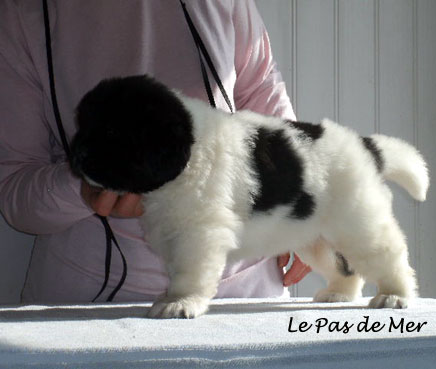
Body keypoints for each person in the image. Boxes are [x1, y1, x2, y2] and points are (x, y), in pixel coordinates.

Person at [0, 0, 310, 303]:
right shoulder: (21, 12)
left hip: (247, 291)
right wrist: (85, 186)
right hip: (93, 309)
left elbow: (260, 91)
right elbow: (16, 191)